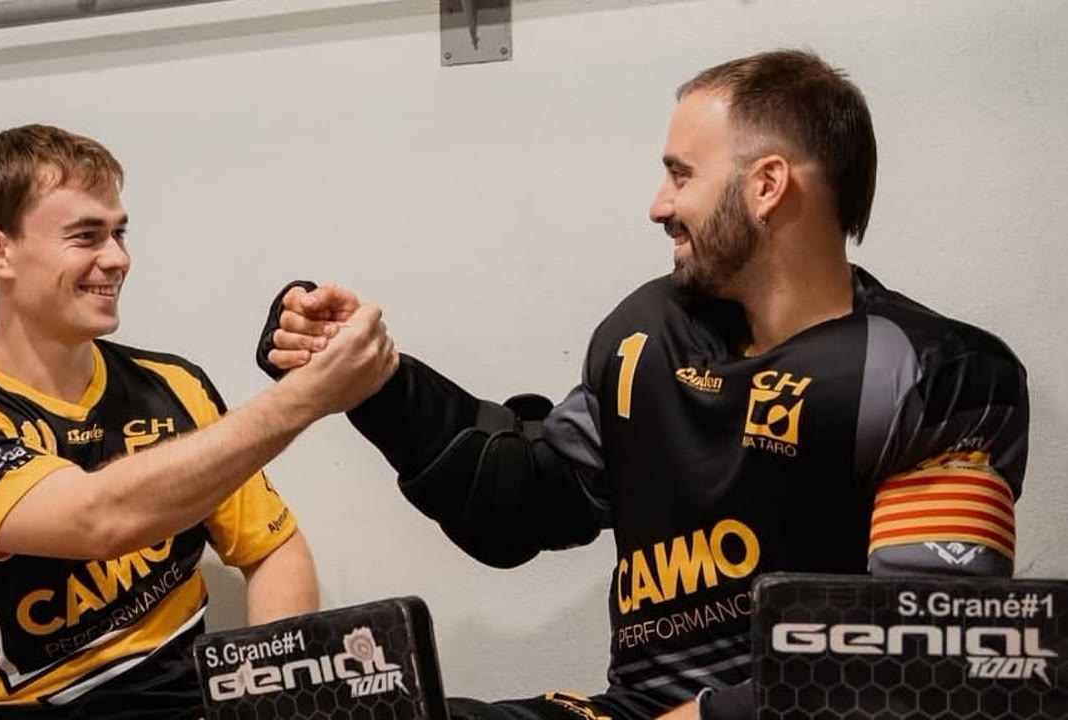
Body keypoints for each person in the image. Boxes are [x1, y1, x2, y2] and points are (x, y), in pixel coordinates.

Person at [257, 49, 1029, 720]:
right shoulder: (647, 337)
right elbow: (520, 500)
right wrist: (372, 379)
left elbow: (921, 660)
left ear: (766, 185)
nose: (659, 205)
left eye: (680, 175)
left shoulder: (935, 374)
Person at [0, 124, 398, 720]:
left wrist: (270, 701)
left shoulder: (175, 385)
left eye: (119, 233)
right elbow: (95, 519)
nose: (117, 258)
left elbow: (273, 546)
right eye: (86, 236)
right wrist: (307, 395)